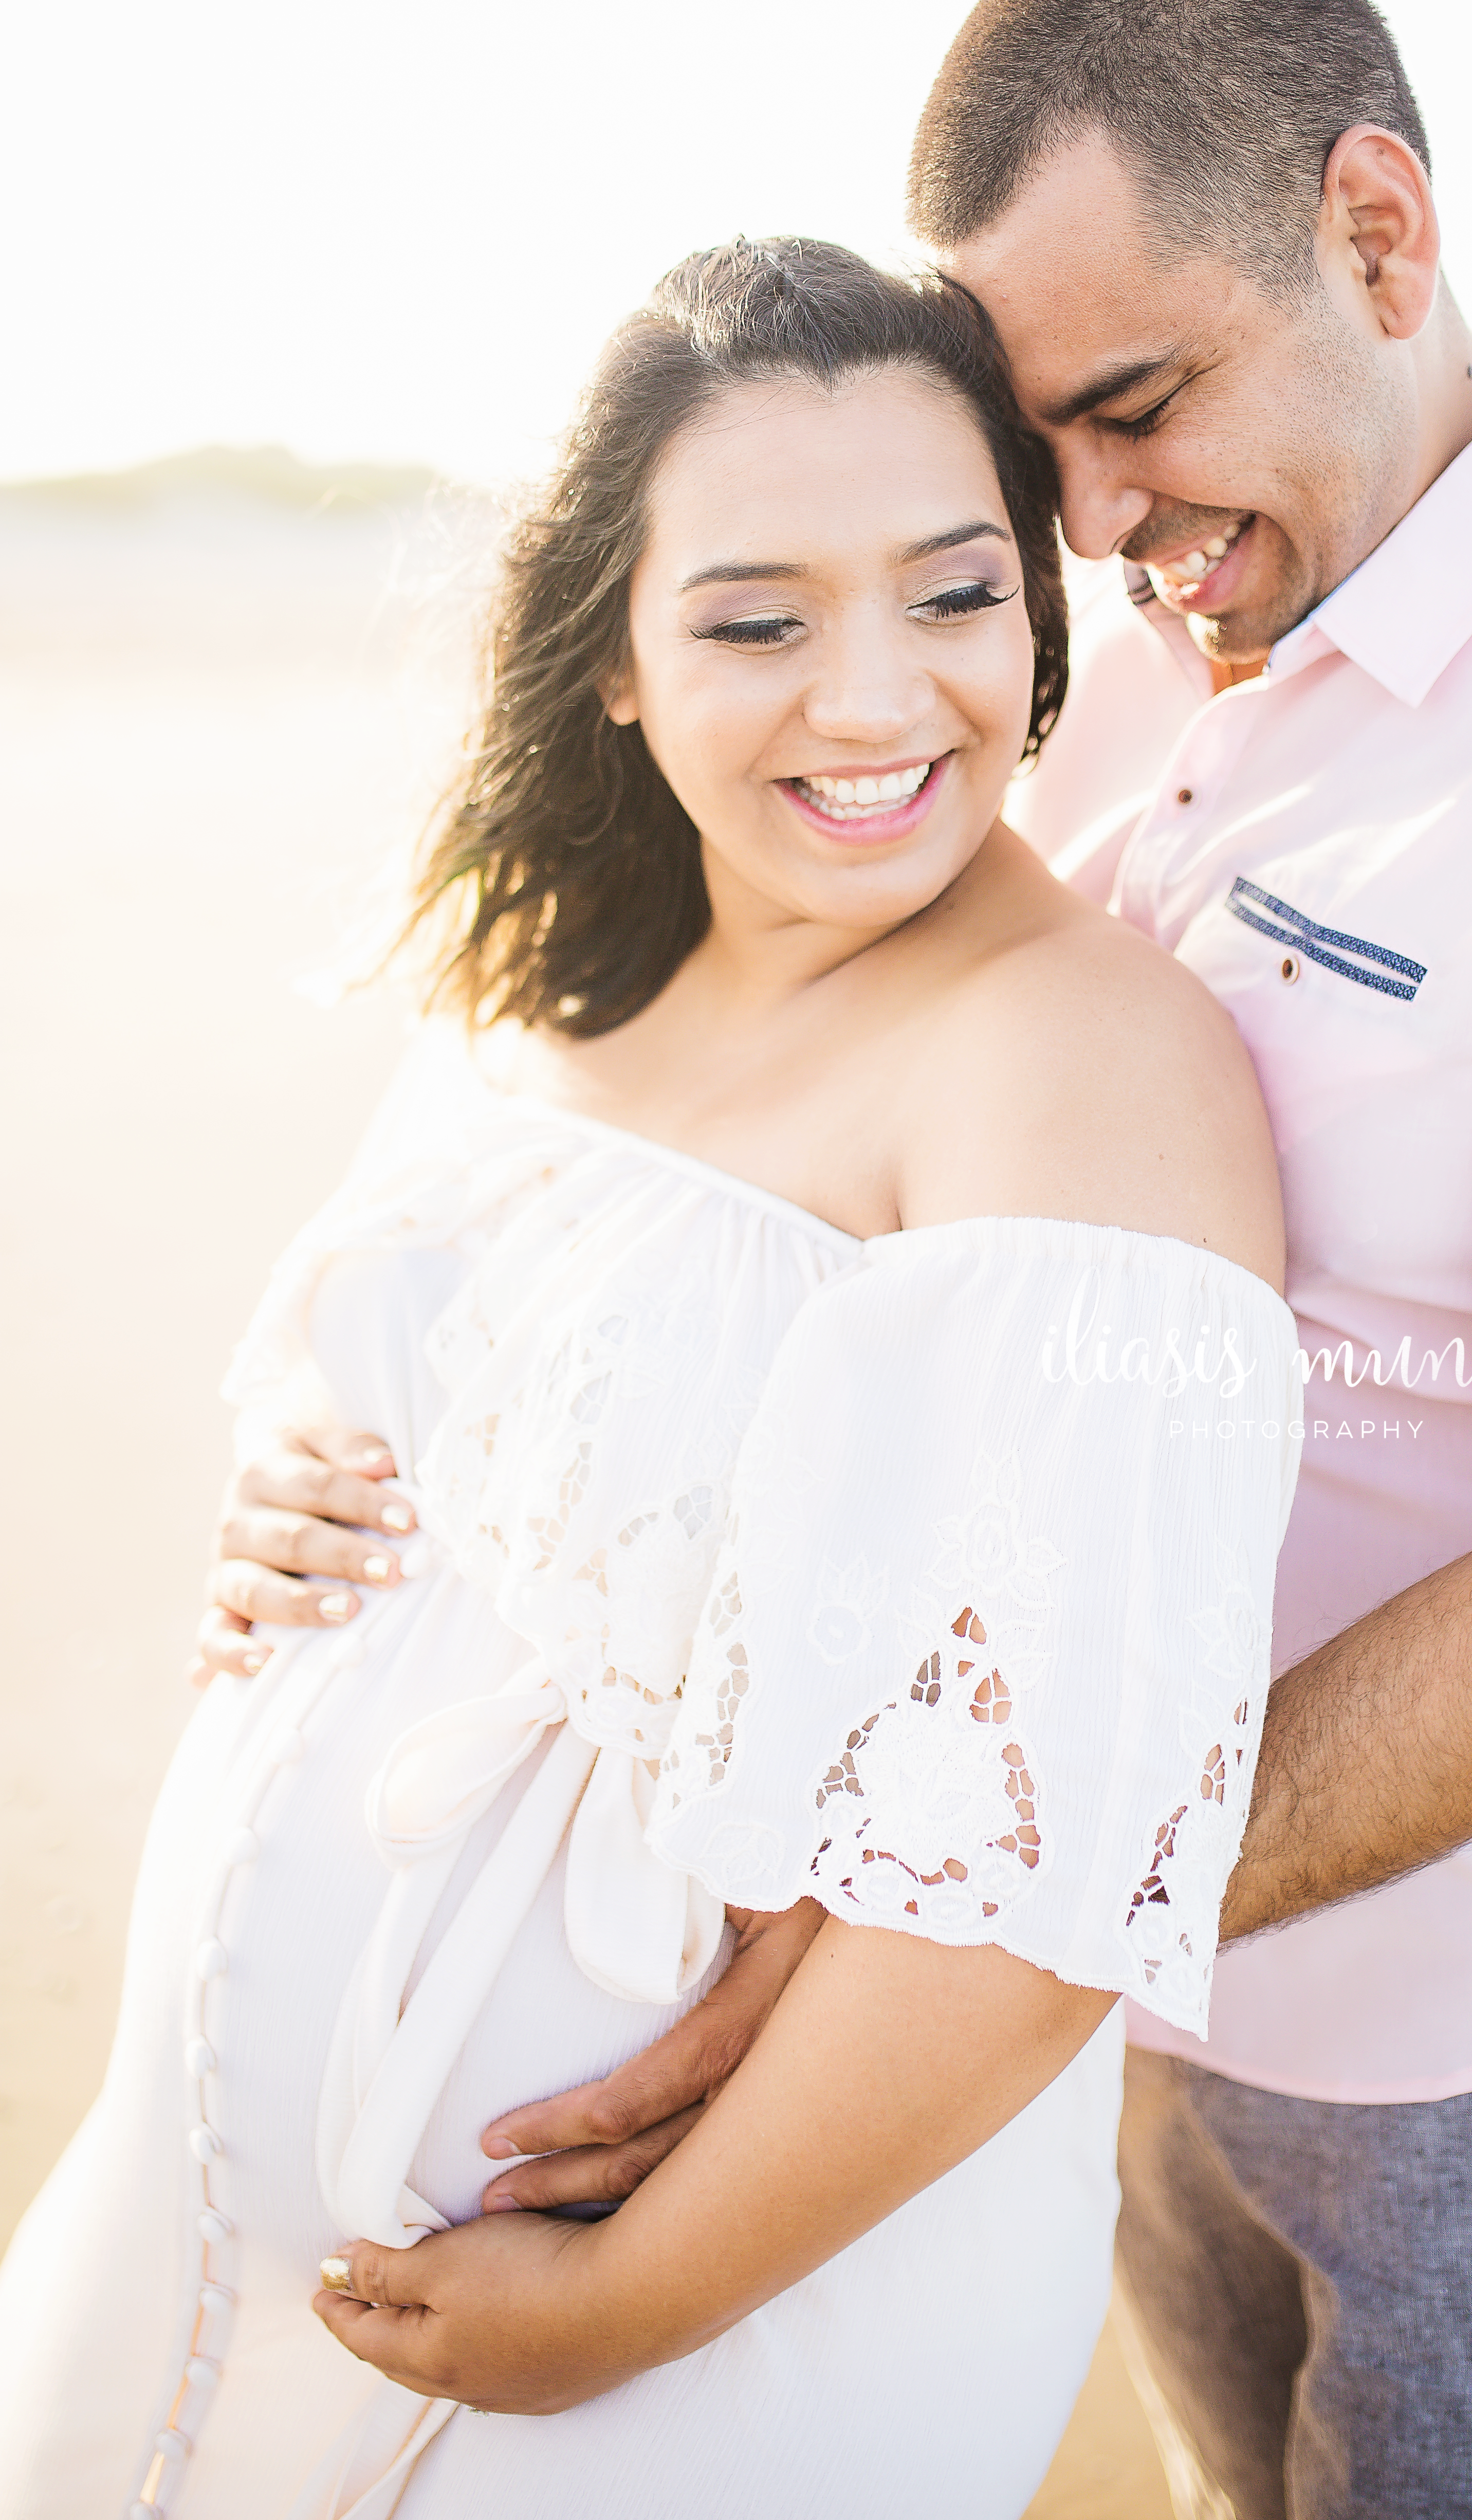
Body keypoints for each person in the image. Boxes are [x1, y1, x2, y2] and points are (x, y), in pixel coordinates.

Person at [204, 0, 1472, 2516]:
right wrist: (382, 1450)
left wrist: (983, 1910)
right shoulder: (1110, 650)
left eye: (1140, 404)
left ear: (1381, 233)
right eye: (1043, 451)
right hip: (1072, 2013)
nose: (1088, 525)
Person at [0, 239, 1302, 2518]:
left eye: (952, 594)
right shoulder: (558, 961)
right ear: (611, 653)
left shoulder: (1081, 1069)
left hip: (714, 2321)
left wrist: (635, 2303)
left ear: (1043, 610)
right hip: (190, 2216)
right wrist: (294, 1498)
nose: (876, 699)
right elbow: (462, 1397)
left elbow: (1047, 1853)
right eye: (755, 618)